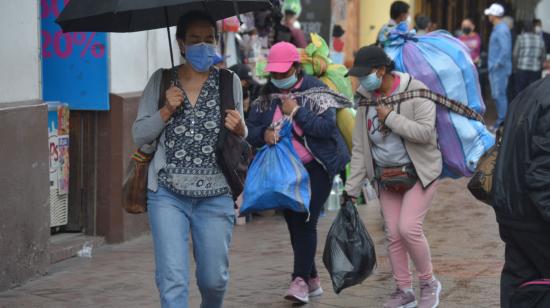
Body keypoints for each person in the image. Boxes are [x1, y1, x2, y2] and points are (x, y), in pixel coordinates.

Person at [132, 11, 247, 308]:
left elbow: (240, 135)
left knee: (214, 279)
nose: (203, 45)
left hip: (216, 195)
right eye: (194, 40)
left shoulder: (229, 81)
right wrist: (165, 111)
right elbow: (139, 135)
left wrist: (241, 128)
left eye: (209, 39)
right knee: (172, 279)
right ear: (181, 43)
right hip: (167, 195)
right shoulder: (161, 81)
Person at [246, 42, 350, 304]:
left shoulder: (317, 90)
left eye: (284, 73)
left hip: (317, 167)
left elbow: (325, 129)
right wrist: (263, 134)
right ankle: (312, 279)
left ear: (296, 68)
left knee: (305, 220)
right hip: (283, 172)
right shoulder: (265, 94)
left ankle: (300, 281)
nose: (279, 78)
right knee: (294, 224)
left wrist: (297, 111)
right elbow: (250, 128)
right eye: (275, 74)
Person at [344, 45, 443, 308]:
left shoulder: (416, 91)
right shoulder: (365, 98)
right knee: (393, 234)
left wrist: (390, 119)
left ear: (381, 70)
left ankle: (428, 283)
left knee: (409, 228)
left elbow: (425, 133)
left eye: (366, 74)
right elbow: (359, 147)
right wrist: (350, 190)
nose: (363, 80)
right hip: (386, 176)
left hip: (420, 173)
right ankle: (404, 290)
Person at [492, 77, 550, 308]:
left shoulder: (532, 91)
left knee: (518, 284)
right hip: (534, 215)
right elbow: (542, 174)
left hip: (511, 208)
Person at [485, 3, 512, 131]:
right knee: (498, 96)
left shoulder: (501, 29)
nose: (488, 16)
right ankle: (501, 122)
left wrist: (496, 64)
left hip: (499, 70)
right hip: (497, 69)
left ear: (494, 15)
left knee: (499, 95)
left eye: (490, 14)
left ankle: (502, 123)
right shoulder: (499, 28)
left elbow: (505, 50)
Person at [513, 20, 546, 95]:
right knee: (533, 92)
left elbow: (515, 54)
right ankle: (531, 107)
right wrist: (540, 66)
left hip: (522, 68)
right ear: (533, 28)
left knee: (520, 92)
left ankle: (520, 106)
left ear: (523, 29)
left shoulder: (520, 38)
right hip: (535, 70)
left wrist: (515, 68)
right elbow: (543, 56)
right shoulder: (540, 39)